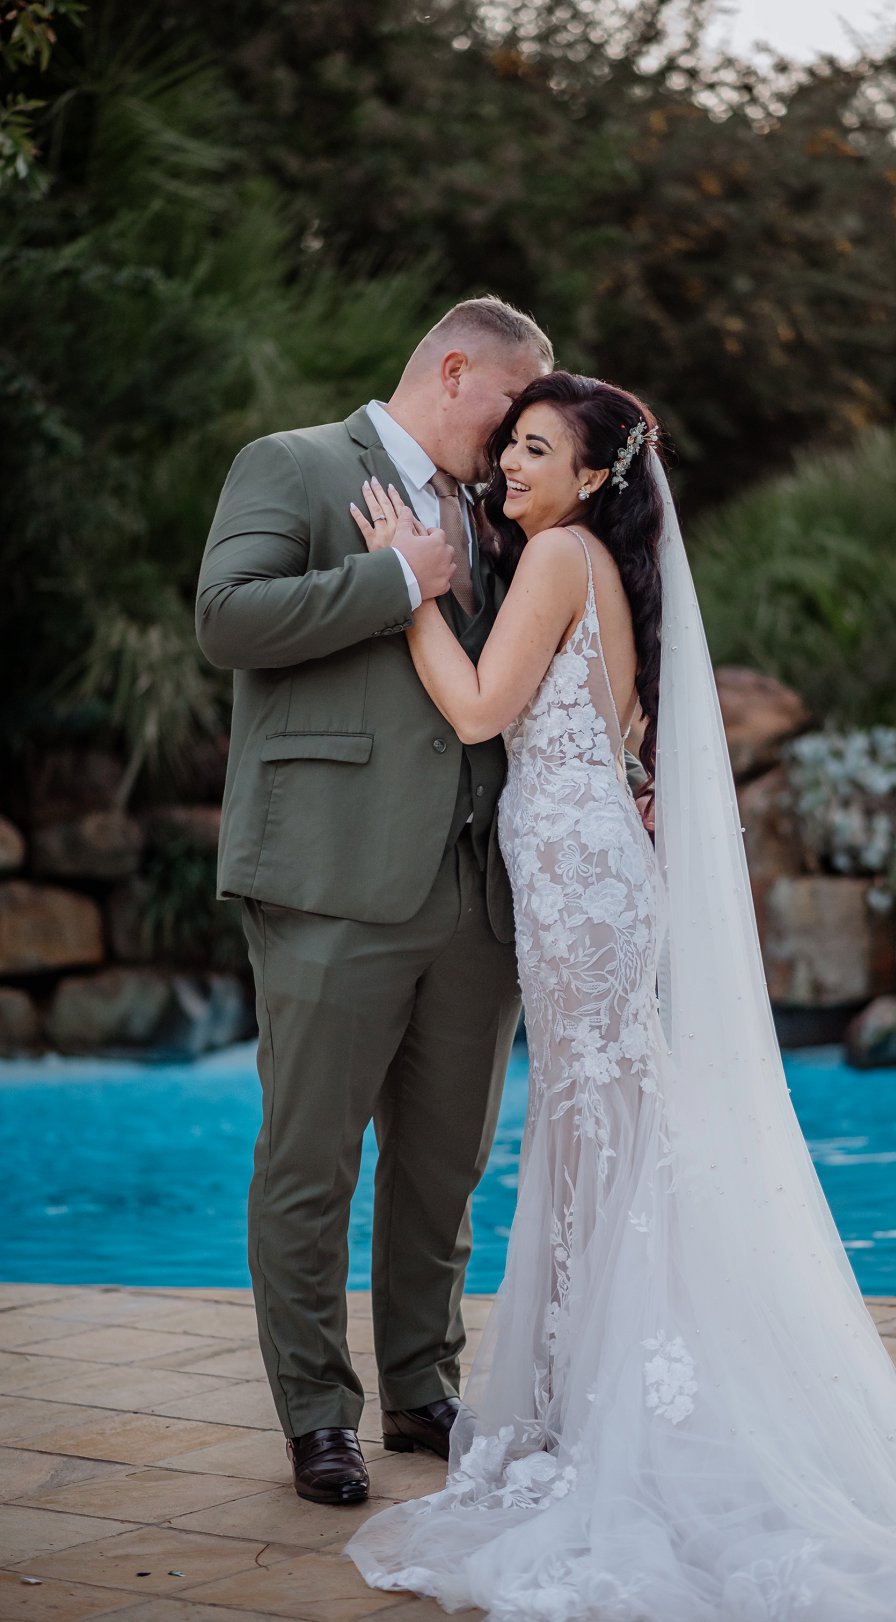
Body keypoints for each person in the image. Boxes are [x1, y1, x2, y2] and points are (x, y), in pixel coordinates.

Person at [345, 371, 896, 1620]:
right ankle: (602, 1391)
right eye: (510, 443)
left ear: (592, 477)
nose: (510, 462)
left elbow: (474, 709)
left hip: (578, 882)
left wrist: (405, 583)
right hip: (591, 875)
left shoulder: (558, 557)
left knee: (599, 1117)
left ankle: (624, 1401)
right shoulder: (602, 568)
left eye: (536, 448)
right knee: (607, 1117)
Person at [195, 297, 554, 1506]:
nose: (517, 432)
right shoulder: (291, 463)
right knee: (310, 1162)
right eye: (509, 401)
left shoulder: (501, 505)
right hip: (329, 874)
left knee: (444, 1165)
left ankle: (421, 1389)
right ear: (454, 371)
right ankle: (316, 1413)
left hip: (477, 886)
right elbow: (226, 619)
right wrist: (397, 575)